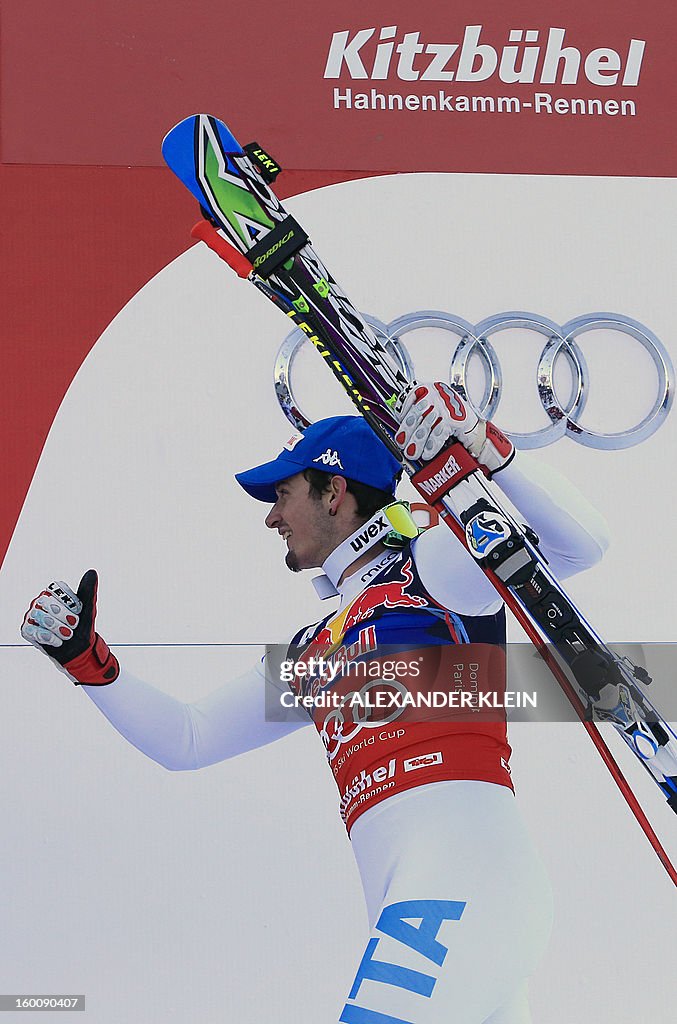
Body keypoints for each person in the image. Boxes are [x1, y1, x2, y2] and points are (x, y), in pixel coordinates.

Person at [22, 382, 609, 1023]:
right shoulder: (314, 649)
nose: (272, 517)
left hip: (465, 887)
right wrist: (89, 664)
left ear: (334, 492)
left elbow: (582, 546)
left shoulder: (433, 567)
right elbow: (188, 740)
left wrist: (491, 452)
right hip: (422, 904)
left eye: (283, 494)